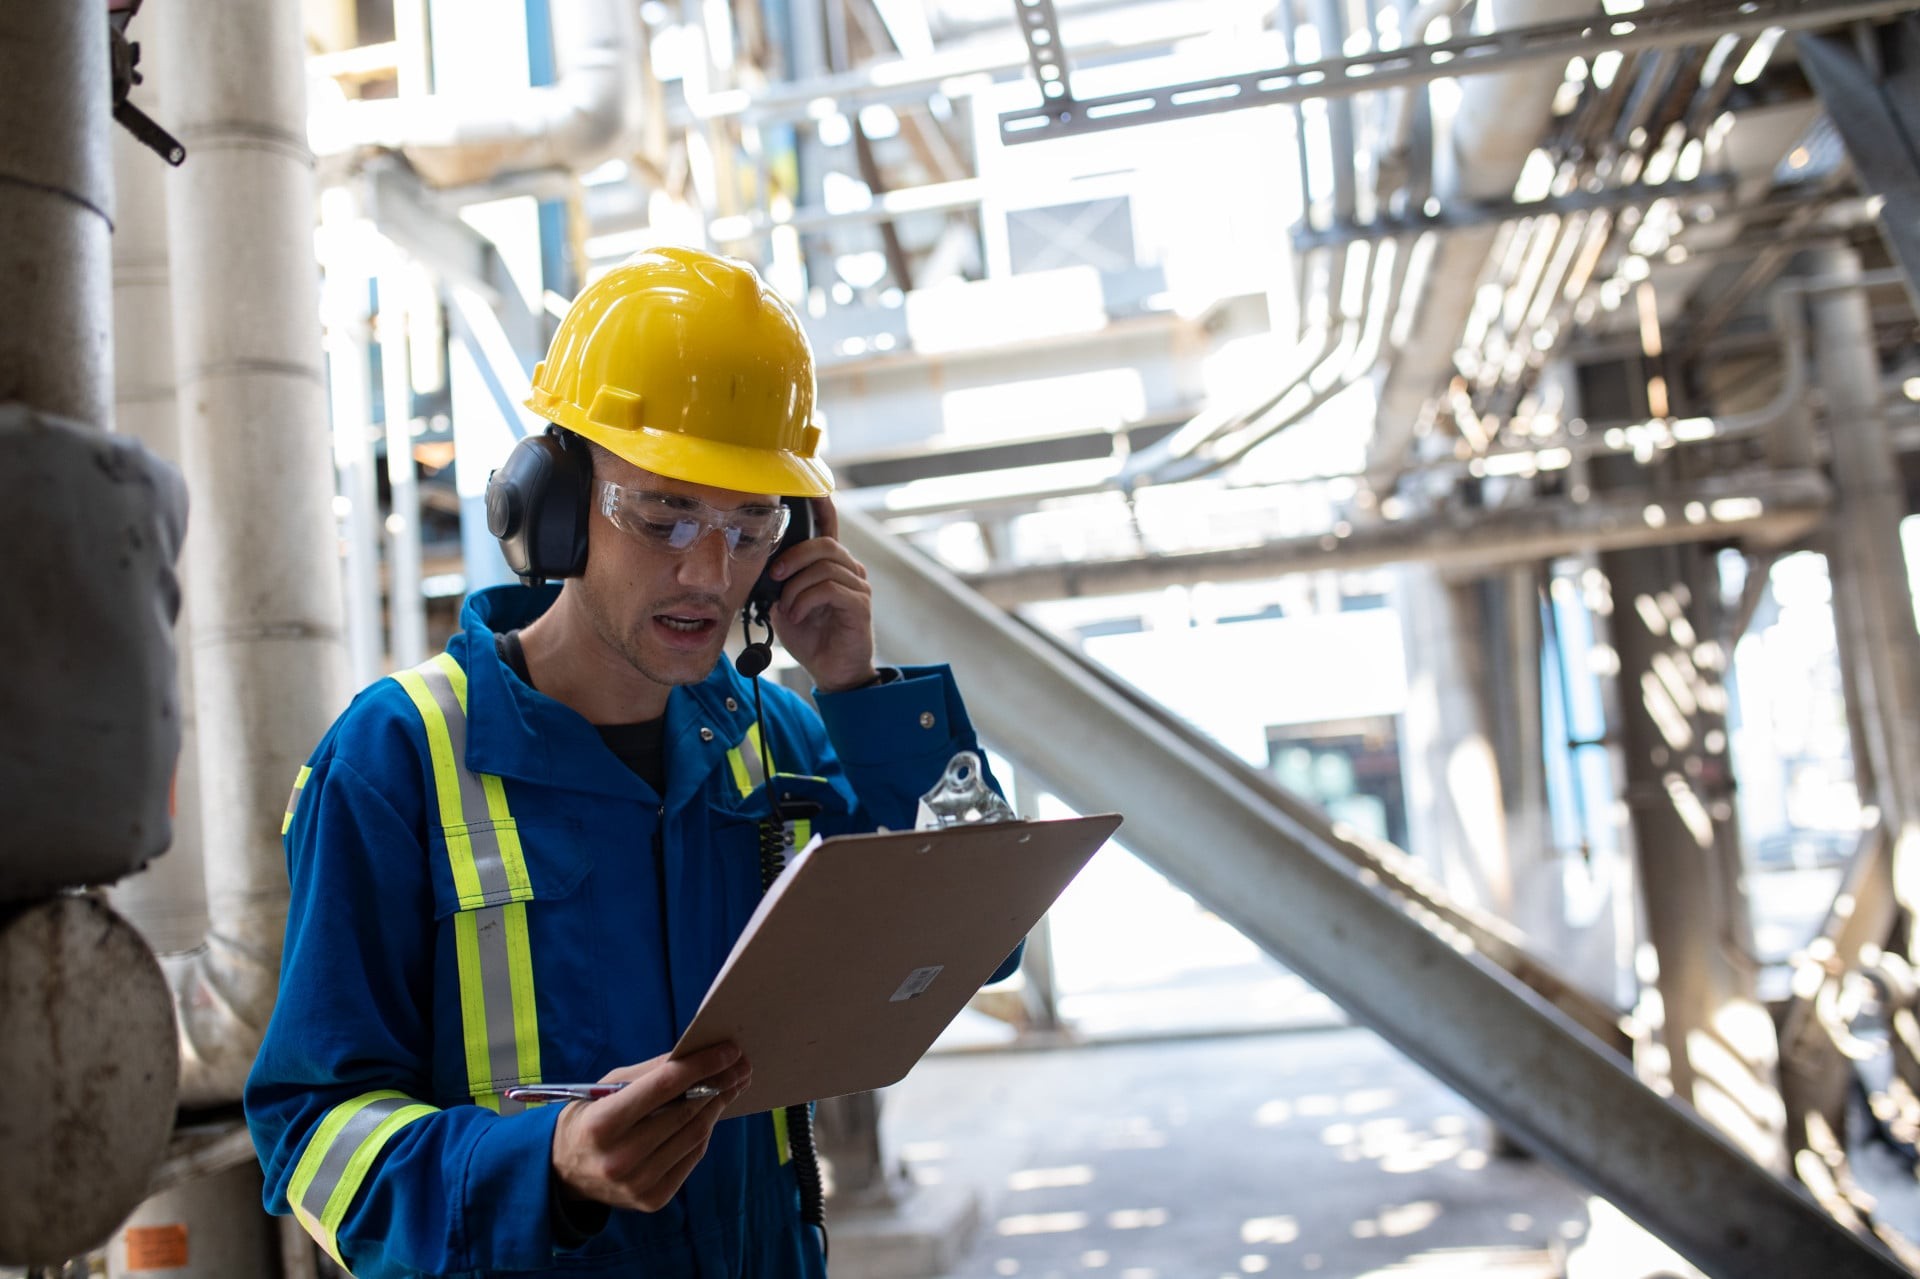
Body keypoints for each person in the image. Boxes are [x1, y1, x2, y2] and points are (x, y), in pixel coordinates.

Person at [246, 245, 1013, 1277]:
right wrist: (541, 1166)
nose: (709, 570)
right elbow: (313, 1132)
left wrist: (860, 692)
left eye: (753, 525)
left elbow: (980, 936)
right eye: (662, 515)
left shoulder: (776, 742)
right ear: (554, 505)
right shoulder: (401, 760)